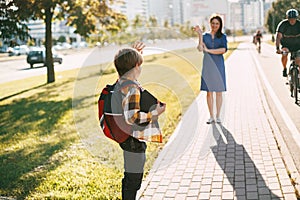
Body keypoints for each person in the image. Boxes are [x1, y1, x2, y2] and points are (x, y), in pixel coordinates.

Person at [113, 42, 166, 200]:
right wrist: (155, 113)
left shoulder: (122, 82)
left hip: (127, 138)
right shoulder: (132, 88)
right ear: (136, 66)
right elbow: (133, 117)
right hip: (133, 140)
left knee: (130, 177)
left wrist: (132, 55)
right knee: (133, 180)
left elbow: (124, 68)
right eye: (140, 64)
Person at [193, 14, 227, 124]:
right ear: (210, 24)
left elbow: (223, 50)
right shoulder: (205, 36)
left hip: (218, 65)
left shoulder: (223, 37)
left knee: (218, 92)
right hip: (207, 65)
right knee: (209, 92)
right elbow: (200, 48)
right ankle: (211, 116)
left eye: (217, 23)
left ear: (220, 25)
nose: (215, 25)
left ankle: (218, 116)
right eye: (213, 23)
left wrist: (209, 51)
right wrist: (199, 35)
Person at [275, 8, 300, 77]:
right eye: (290, 19)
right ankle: (284, 68)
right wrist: (277, 48)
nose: (292, 20)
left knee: (298, 60)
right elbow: (278, 37)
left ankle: (298, 77)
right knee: (284, 54)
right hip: (286, 45)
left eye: (294, 18)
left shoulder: (299, 24)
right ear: (287, 18)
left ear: (296, 18)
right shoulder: (283, 25)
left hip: (298, 46)